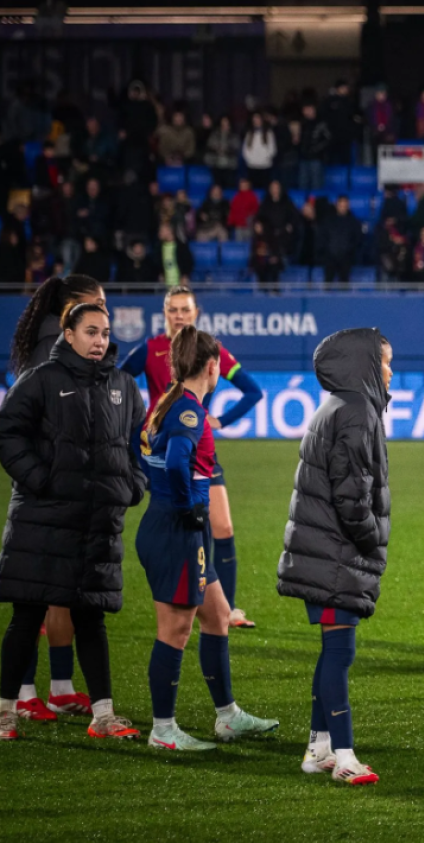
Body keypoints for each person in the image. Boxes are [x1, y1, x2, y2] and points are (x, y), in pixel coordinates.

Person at [0, 303, 147, 742]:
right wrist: (41, 480)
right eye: (90, 332)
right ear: (68, 333)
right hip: (43, 523)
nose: (99, 341)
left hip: (97, 524)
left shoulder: (122, 384)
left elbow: (138, 444)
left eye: (104, 333)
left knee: (92, 618)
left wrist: (133, 486)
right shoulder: (42, 379)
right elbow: (8, 433)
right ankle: (5, 710)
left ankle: (103, 715)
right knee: (27, 616)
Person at [134, 326, 278, 752]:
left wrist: (158, 489)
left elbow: (136, 447)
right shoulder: (189, 412)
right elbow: (178, 460)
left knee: (216, 616)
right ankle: (163, 730)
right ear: (213, 366)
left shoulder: (168, 402)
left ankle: (228, 717)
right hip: (177, 531)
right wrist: (184, 504)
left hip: (172, 527)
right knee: (175, 631)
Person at [277, 327, 394, 785]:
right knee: (338, 653)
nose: (390, 370)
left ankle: (319, 747)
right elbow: (351, 499)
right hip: (335, 555)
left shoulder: (343, 407)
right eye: (384, 361)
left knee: (332, 652)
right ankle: (344, 757)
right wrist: (371, 541)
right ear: (364, 364)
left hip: (326, 552)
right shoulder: (356, 413)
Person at [122, 287, 265, 629]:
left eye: (184, 309)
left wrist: (220, 421)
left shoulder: (209, 351)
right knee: (184, 525)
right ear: (164, 313)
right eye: (173, 310)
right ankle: (190, 607)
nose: (179, 316)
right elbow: (117, 384)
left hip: (197, 450)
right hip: (166, 452)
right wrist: (137, 429)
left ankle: (225, 610)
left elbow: (253, 390)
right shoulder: (151, 349)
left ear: (195, 312)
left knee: (222, 526)